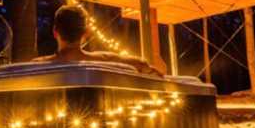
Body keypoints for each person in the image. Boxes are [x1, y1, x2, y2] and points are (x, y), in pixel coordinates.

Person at [34, 4, 165, 76]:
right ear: (86, 33)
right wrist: (152, 71)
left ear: (55, 32)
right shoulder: (103, 60)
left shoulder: (37, 66)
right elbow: (141, 64)